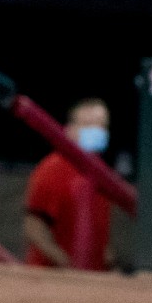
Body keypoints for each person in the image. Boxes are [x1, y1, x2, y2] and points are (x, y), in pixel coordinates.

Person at [23, 98, 113, 269]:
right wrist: (65, 263)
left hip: (92, 281)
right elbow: (33, 227)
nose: (97, 131)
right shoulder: (53, 168)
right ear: (69, 130)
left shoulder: (102, 172)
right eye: (88, 125)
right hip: (51, 277)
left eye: (102, 126)